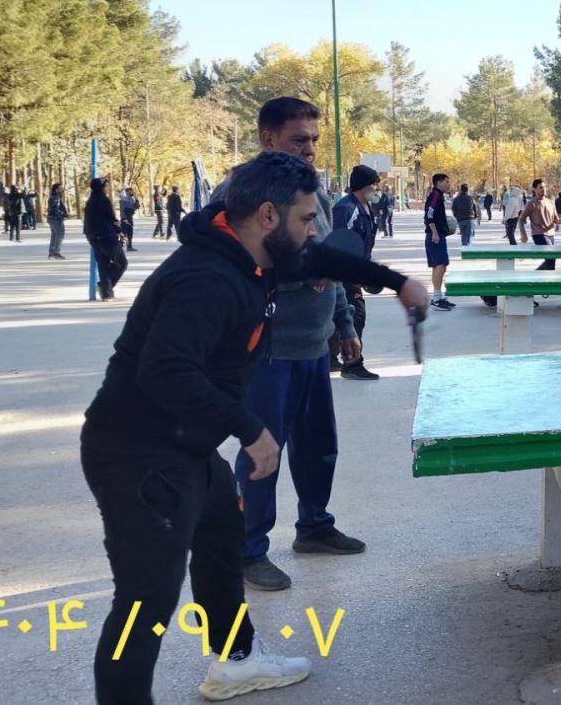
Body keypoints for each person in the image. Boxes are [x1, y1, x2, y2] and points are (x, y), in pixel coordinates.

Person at [81, 150, 428, 705]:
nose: (312, 229)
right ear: (268, 215)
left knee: (221, 542)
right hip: (136, 454)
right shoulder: (205, 277)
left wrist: (398, 281)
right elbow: (165, 370)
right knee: (145, 603)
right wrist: (250, 428)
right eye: (305, 218)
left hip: (184, 445)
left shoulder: (254, 254)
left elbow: (321, 259)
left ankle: (237, 660)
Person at [208, 98, 373, 593]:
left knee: (319, 446)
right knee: (263, 452)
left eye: (315, 140)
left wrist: (345, 326)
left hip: (315, 348)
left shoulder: (315, 191)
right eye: (299, 139)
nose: (310, 149)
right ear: (268, 139)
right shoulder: (236, 192)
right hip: (265, 350)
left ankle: (314, 526)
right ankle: (248, 550)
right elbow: (225, 267)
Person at [331, 164, 384, 380]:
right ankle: (352, 364)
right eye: (375, 185)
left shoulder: (365, 208)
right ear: (365, 186)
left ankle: (331, 358)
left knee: (340, 316)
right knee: (355, 315)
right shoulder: (346, 209)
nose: (377, 189)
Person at [84, 178, 127, 299]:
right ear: (101, 188)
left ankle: (106, 293)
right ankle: (104, 287)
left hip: (93, 238)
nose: (108, 189)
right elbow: (111, 218)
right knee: (122, 263)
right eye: (106, 186)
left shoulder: (90, 201)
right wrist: (120, 232)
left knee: (103, 265)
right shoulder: (104, 200)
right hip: (107, 236)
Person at [424, 172, 456, 311]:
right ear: (439, 183)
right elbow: (429, 214)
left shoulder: (439, 196)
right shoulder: (435, 195)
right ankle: (436, 299)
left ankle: (437, 296)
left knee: (439, 266)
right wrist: (435, 232)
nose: (448, 184)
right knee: (440, 265)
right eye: (446, 182)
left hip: (438, 234)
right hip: (434, 236)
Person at [517, 179, 561, 269]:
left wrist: (559, 221)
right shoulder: (531, 204)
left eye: (544, 187)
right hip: (539, 235)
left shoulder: (550, 202)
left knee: (551, 258)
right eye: (541, 187)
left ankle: (538, 274)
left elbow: (555, 219)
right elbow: (521, 219)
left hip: (551, 235)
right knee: (551, 256)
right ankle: (549, 278)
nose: (543, 189)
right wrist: (523, 234)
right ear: (534, 189)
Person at [452, 181, 479, 247]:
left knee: (463, 235)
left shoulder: (456, 199)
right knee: (469, 235)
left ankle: (464, 247)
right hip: (469, 218)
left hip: (460, 219)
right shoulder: (471, 198)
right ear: (467, 190)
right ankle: (467, 248)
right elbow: (475, 208)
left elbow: (453, 208)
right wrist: (475, 216)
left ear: (461, 190)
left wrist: (456, 215)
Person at [47, 182, 69, 259]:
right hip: (55, 218)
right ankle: (56, 252)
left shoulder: (56, 196)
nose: (62, 189)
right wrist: (63, 214)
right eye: (60, 188)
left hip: (53, 218)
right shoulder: (55, 197)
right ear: (56, 189)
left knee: (54, 235)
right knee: (60, 234)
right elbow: (54, 209)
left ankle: (52, 253)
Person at [119, 186, 140, 251]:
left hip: (130, 217)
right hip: (125, 218)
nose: (133, 192)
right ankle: (119, 246)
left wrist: (136, 199)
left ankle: (129, 246)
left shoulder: (132, 199)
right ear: (127, 192)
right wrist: (124, 218)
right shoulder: (123, 199)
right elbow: (122, 210)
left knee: (130, 232)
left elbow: (137, 207)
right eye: (131, 191)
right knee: (124, 232)